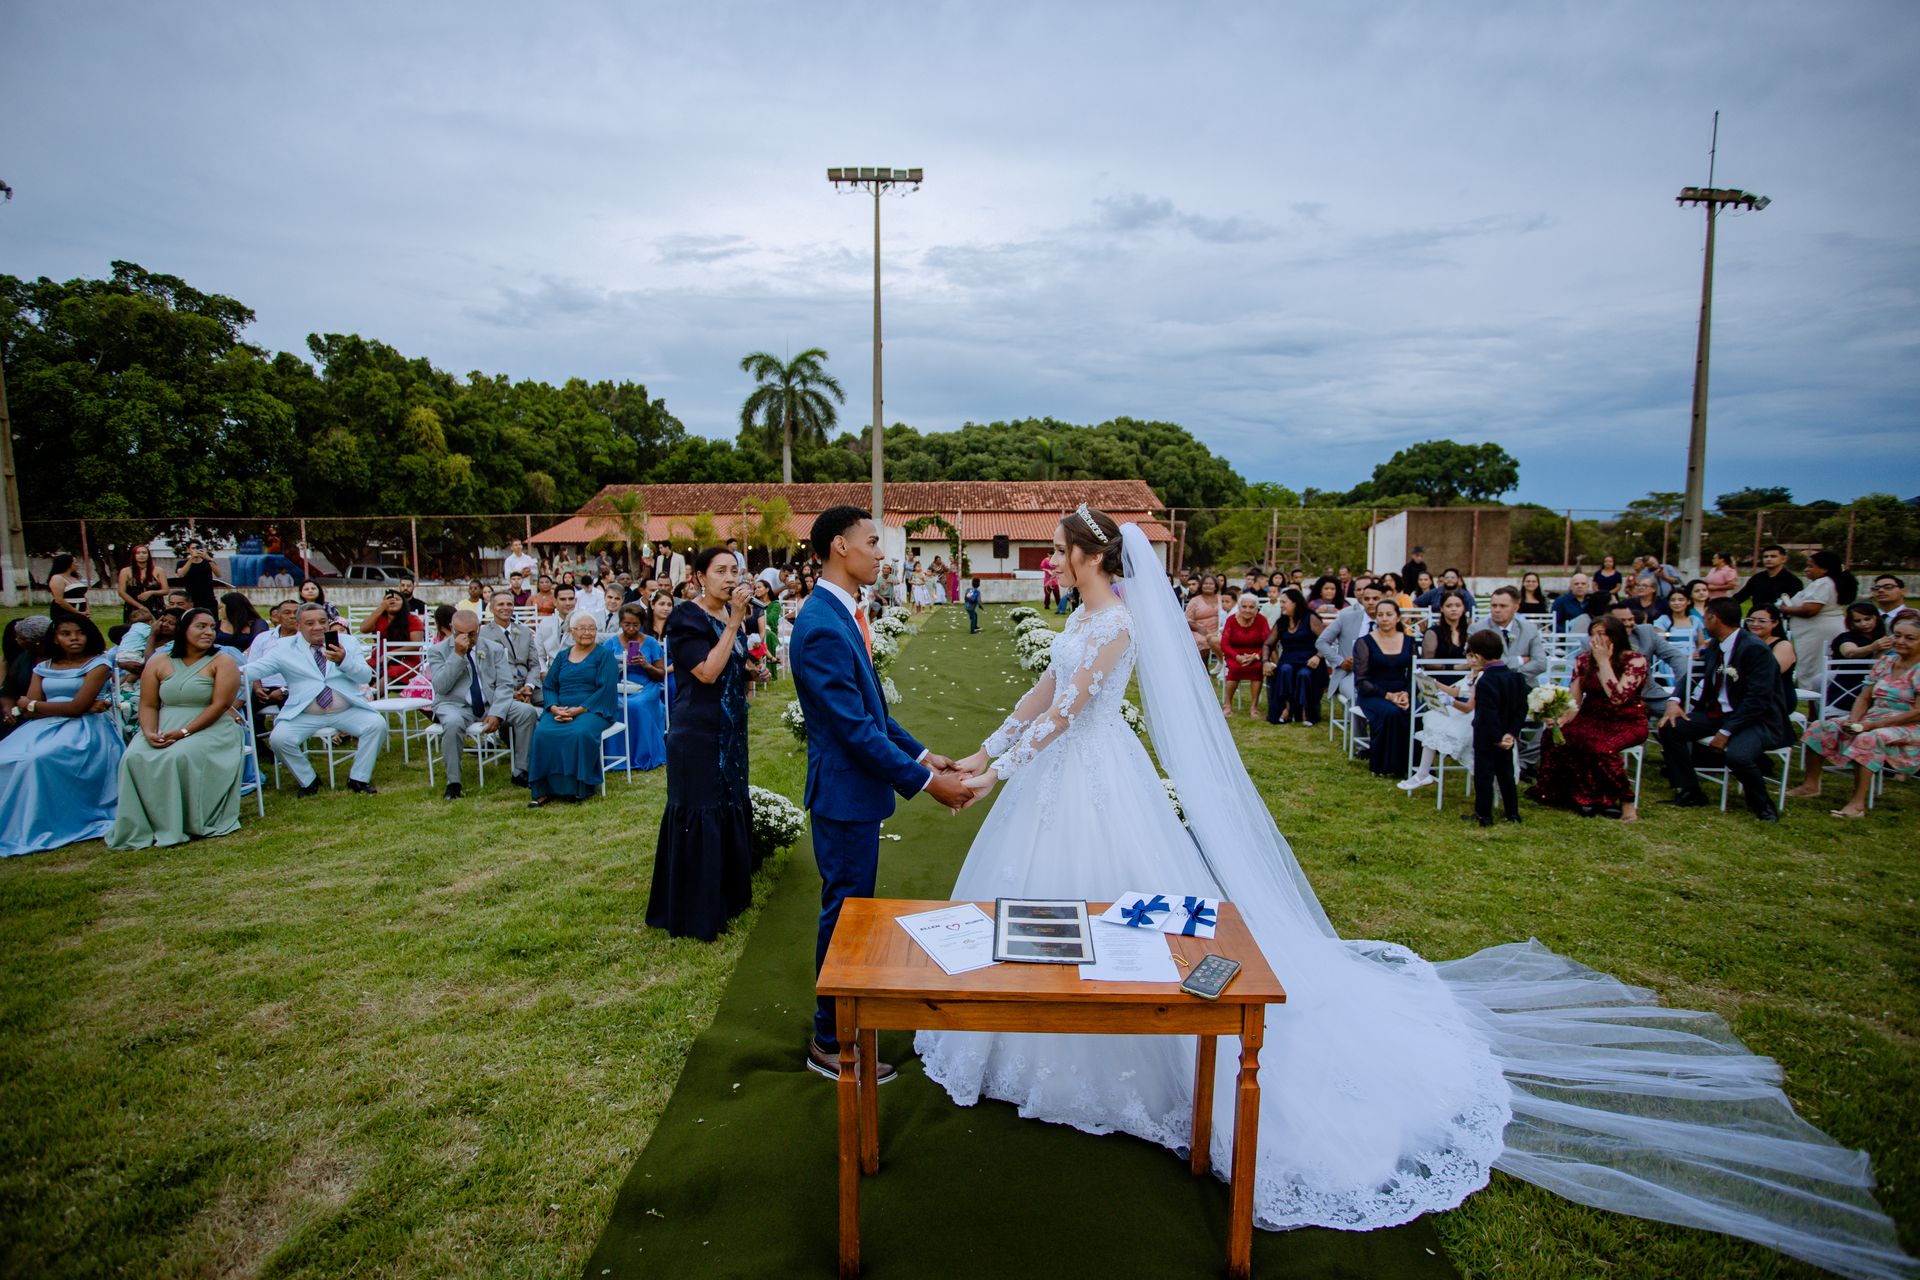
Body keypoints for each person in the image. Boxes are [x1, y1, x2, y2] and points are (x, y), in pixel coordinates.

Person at [915, 515, 1913, 1276]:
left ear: (1088, 556)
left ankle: (1124, 1056)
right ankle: (1031, 1035)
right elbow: (1038, 697)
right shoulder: (1080, 618)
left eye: (1059, 552)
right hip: (1059, 779)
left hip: (1095, 781)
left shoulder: (1119, 623)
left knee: (1118, 912)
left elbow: (1073, 710)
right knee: (1052, 909)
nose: (1052, 563)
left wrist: (992, 775)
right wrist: (978, 749)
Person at [789, 508, 974, 1078]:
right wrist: (930, 785)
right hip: (843, 796)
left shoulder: (842, 612)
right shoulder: (822, 625)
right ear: (839, 546)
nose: (881, 553)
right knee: (846, 917)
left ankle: (850, 1015)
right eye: (872, 542)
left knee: (856, 913)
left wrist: (922, 755)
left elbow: (873, 712)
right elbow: (853, 730)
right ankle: (830, 1039)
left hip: (856, 793)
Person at [648, 547, 757, 935]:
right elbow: (707, 672)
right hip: (697, 731)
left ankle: (730, 893)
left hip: (731, 729)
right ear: (698, 578)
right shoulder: (685, 618)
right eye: (721, 571)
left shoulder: (729, 613)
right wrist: (735, 622)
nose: (730, 578)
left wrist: (751, 670)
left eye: (735, 571)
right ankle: (697, 908)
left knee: (729, 801)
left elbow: (730, 664)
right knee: (702, 806)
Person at [107, 607, 246, 849]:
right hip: (165, 722)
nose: (209, 632)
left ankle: (180, 822)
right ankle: (142, 825)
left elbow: (220, 705)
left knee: (177, 756)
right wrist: (149, 732)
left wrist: (185, 732)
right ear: (183, 630)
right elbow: (148, 704)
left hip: (211, 726)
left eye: (212, 627)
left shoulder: (222, 661)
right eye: (201, 626)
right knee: (133, 756)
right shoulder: (159, 661)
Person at [1656, 598, 1794, 820]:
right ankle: (1690, 790)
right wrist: (1674, 700)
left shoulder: (1754, 649)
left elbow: (1758, 700)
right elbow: (1694, 673)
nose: (1703, 623)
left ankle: (1763, 805)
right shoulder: (1716, 644)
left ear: (1714, 619)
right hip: (1719, 713)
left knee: (1738, 756)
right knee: (1670, 728)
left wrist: (1726, 731)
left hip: (1755, 718)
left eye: (1705, 618)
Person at [0, 616, 120, 857]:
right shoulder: (43, 667)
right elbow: (28, 712)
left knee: (36, 759)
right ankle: (10, 821)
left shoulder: (98, 665)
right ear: (55, 638)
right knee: (6, 756)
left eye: (80, 632)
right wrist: (35, 707)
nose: (74, 638)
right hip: (43, 726)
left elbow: (75, 708)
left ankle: (38, 822)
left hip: (84, 730)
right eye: (66, 633)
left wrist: (34, 704)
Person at [249, 604, 388, 796]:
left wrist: (343, 660)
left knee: (377, 724)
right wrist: (225, 669)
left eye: (323, 621)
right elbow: (256, 669)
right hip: (305, 712)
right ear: (298, 626)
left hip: (346, 710)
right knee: (279, 739)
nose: (318, 627)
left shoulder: (347, 642)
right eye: (310, 623)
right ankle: (308, 780)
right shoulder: (284, 647)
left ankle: (358, 778)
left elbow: (365, 676)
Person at [1790, 614, 1920, 818]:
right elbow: (1864, 697)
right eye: (1897, 635)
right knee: (1821, 727)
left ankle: (1857, 804)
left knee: (1868, 738)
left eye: (1910, 638)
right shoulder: (1886, 661)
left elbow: (1917, 712)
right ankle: (1810, 785)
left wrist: (1872, 725)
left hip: (1909, 724)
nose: (1901, 641)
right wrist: (1854, 720)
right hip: (1874, 717)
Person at [1531, 615, 1650, 821]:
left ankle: (1626, 802)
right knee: (1555, 736)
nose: (1596, 639)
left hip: (1625, 721)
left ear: (1615, 636)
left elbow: (1618, 697)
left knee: (1601, 748)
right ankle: (1571, 793)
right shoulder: (1583, 660)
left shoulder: (1635, 661)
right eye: (1593, 634)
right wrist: (1561, 719)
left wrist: (1604, 662)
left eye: (1602, 634)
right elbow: (1574, 700)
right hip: (1591, 716)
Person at [428, 609, 540, 800]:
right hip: (454, 704)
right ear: (452, 630)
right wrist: (457, 655)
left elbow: (505, 684)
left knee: (526, 712)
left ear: (479, 629)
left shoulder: (493, 648)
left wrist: (497, 713)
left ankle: (521, 769)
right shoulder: (438, 651)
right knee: (453, 723)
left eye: (471, 634)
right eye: (460, 634)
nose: (467, 638)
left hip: (489, 702)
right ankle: (453, 782)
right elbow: (441, 686)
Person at [524, 610, 618, 806]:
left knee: (579, 733)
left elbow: (606, 688)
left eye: (591, 628)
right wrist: (553, 707)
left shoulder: (605, 656)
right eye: (582, 628)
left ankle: (578, 786)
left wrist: (580, 709)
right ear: (571, 631)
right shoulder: (562, 656)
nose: (587, 632)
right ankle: (543, 789)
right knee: (542, 733)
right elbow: (549, 685)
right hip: (561, 708)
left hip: (594, 709)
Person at [1400, 595, 1475, 791]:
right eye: (1449, 605)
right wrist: (1454, 668)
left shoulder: (1470, 631)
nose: (1453, 609)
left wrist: (1466, 670)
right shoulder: (1434, 632)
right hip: (1440, 681)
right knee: (1437, 715)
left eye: (1457, 605)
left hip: (1467, 683)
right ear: (1441, 608)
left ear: (1463, 608)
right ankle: (1426, 765)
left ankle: (1441, 757)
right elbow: (1428, 661)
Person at [1461, 628, 1528, 826]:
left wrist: (1497, 737)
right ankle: (1512, 813)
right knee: (1506, 774)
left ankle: (1484, 815)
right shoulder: (1517, 678)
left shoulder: (1485, 681)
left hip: (1487, 736)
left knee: (1484, 776)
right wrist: (1511, 733)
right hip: (1507, 736)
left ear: (1478, 656)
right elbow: (1521, 709)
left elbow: (1488, 714)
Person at [1351, 597, 1414, 777]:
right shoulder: (1364, 642)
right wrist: (1388, 696)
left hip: (1402, 692)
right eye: (1380, 615)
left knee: (1413, 712)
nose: (1384, 618)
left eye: (1389, 614)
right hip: (1373, 693)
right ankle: (1386, 766)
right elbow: (1361, 680)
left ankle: (1412, 765)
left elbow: (1414, 673)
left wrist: (1406, 694)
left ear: (1398, 617)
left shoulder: (1409, 641)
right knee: (1391, 713)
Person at [604, 602, 667, 771]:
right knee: (614, 704)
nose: (631, 628)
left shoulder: (650, 643)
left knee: (635, 705)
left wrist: (646, 665)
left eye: (635, 625)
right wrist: (618, 666)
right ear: (620, 623)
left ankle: (641, 755)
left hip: (646, 686)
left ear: (641, 624)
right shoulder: (611, 643)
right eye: (627, 624)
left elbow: (661, 675)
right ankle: (616, 754)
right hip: (618, 685)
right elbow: (601, 672)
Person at [1780, 549, 1855, 690]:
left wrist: (1785, 609)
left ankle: (1813, 699)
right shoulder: (1830, 582)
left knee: (1812, 668)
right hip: (1823, 630)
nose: (1806, 569)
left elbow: (1811, 610)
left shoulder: (1823, 583)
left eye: (1810, 566)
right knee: (1817, 666)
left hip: (1817, 634)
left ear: (1824, 569)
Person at [1315, 581, 1382, 709]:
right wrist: (1340, 662)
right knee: (1358, 696)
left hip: (1382, 674)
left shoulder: (1389, 622)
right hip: (1350, 674)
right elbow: (1321, 642)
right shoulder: (1346, 617)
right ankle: (1359, 723)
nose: (1371, 602)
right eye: (1367, 599)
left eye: (1375, 599)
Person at [1261, 588, 1322, 726]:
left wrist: (1318, 656)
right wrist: (1265, 661)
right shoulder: (1281, 622)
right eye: (1281, 602)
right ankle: (1287, 709)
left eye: (1284, 602)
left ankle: (1306, 711)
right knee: (1285, 670)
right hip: (1288, 660)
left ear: (1295, 603)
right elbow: (1267, 644)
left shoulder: (1310, 618)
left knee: (1304, 674)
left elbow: (1326, 641)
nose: (1281, 605)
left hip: (1309, 660)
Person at [1469, 587, 1547, 684]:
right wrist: (1519, 660)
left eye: (1503, 606)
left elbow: (1541, 664)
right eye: (1494, 605)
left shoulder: (1530, 630)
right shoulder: (1477, 629)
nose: (1497, 610)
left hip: (1524, 685)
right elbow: (1477, 662)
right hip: (1491, 685)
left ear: (1516, 608)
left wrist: (1513, 676)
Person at [1827, 602, 1890, 711]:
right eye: (1857, 621)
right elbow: (1850, 652)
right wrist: (1873, 647)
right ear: (1851, 622)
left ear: (1876, 618)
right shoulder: (1846, 637)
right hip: (1847, 690)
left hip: (1880, 689)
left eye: (1867, 619)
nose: (1863, 624)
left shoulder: (1884, 639)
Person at [1219, 591, 1269, 717]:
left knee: (1257, 669)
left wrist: (1256, 656)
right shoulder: (1231, 620)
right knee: (1235, 669)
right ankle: (1228, 705)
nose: (1247, 610)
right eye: (1244, 606)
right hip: (1235, 655)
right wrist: (1237, 657)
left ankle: (1254, 707)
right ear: (1239, 607)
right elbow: (1224, 644)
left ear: (1256, 609)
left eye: (1251, 607)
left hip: (1255, 655)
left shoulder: (1262, 620)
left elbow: (1267, 643)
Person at [1730, 544, 1802, 613]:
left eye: (1773, 556)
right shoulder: (1757, 578)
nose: (1768, 559)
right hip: (1756, 617)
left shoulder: (1793, 581)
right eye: (1765, 557)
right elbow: (1740, 596)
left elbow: (1795, 605)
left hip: (1779, 618)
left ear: (1783, 559)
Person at [1745, 603, 1798, 685]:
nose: (1755, 624)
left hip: (1776, 690)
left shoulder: (1783, 646)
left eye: (1762, 621)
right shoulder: (1744, 642)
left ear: (1775, 623)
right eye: (1751, 620)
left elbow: (1770, 672)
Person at [117, 544, 167, 620]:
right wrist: (140, 607)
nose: (141, 555)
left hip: (155, 606)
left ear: (148, 555)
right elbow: (121, 592)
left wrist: (151, 592)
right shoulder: (125, 571)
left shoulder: (158, 571)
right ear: (133, 555)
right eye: (138, 553)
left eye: (144, 553)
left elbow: (166, 590)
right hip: (133, 607)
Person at [1184, 574, 1222, 670]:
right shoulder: (1195, 601)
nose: (1208, 586)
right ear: (1201, 585)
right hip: (1199, 630)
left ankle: (1222, 663)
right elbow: (1188, 620)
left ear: (1215, 586)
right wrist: (1200, 629)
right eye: (1205, 583)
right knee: (1202, 641)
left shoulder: (1221, 599)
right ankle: (1203, 669)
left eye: (1211, 584)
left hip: (1219, 629)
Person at [47, 552, 91, 623]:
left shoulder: (74, 578)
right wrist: (77, 612)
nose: (77, 565)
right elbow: (59, 600)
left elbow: (82, 596)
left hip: (81, 609)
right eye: (75, 562)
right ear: (68, 564)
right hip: (65, 612)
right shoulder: (57, 578)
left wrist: (87, 610)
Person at [177, 540, 218, 612]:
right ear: (188, 550)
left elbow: (218, 574)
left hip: (209, 600)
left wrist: (209, 559)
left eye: (197, 548)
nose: (196, 550)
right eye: (193, 548)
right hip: (191, 600)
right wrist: (191, 559)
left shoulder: (207, 562)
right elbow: (181, 574)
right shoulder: (182, 563)